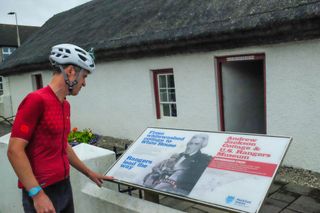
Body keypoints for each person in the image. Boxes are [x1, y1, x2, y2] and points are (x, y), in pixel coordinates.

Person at [7, 43, 113, 213]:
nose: (84, 83)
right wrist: (37, 195)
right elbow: (14, 150)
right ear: (71, 72)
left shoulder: (65, 105)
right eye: (84, 76)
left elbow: (62, 145)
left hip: (63, 185)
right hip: (41, 190)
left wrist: (89, 173)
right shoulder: (36, 100)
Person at [143, 134, 212, 195]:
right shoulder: (178, 155)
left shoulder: (201, 160)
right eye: (190, 143)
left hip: (177, 188)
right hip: (159, 182)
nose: (190, 146)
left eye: (196, 144)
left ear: (201, 146)